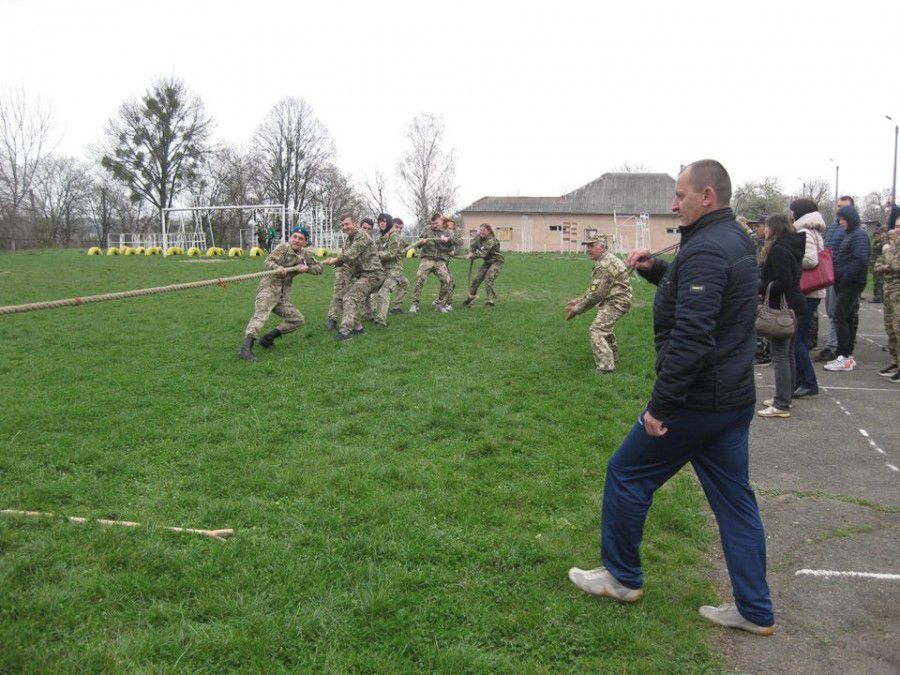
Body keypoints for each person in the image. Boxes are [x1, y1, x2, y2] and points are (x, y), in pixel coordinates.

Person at [568, 160, 774, 636]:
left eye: (680, 195)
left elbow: (694, 337)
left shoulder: (708, 248)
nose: (673, 203)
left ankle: (621, 576)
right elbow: (706, 301)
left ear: (708, 195)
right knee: (735, 502)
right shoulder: (734, 238)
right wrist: (658, 269)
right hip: (732, 399)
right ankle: (756, 609)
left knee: (626, 472)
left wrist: (661, 407)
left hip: (698, 402)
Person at [238, 227, 322, 361]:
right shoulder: (282, 248)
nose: (297, 240)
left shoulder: (305, 254)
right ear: (290, 237)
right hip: (268, 289)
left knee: (298, 319)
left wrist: (307, 269)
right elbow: (267, 262)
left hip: (282, 295)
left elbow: (319, 269)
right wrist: (277, 268)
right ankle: (246, 348)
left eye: (301, 239)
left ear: (305, 242)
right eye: (294, 237)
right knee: (260, 317)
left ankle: (267, 339)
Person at [756, 214, 806, 417]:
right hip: (795, 304)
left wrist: (762, 287)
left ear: (774, 228)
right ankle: (786, 395)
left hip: (782, 309)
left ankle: (781, 403)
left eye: (767, 226)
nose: (764, 230)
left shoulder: (778, 250)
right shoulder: (792, 246)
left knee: (780, 356)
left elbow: (783, 281)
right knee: (788, 353)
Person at [564, 233, 632, 373]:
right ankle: (613, 356)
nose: (588, 249)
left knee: (597, 330)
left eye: (591, 246)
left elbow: (596, 294)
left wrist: (577, 309)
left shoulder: (604, 265)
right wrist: (579, 300)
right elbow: (595, 288)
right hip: (615, 300)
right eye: (587, 246)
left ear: (602, 247)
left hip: (616, 302)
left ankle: (606, 367)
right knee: (605, 328)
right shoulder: (605, 261)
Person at [323, 215, 385, 341]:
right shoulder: (349, 239)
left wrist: (336, 259)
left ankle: (345, 333)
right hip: (363, 275)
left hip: (373, 275)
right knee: (342, 297)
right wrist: (334, 262)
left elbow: (349, 255)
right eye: (342, 225)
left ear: (355, 224)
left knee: (350, 298)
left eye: (347, 224)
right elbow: (344, 259)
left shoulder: (362, 236)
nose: (344, 227)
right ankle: (358, 328)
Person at [824, 204, 870, 372]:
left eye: (843, 219)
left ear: (850, 219)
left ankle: (842, 356)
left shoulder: (858, 236)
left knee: (840, 317)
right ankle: (847, 356)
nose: (841, 222)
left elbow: (860, 260)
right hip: (848, 282)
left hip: (851, 283)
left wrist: (844, 278)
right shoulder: (851, 235)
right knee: (846, 318)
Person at [789, 199, 827, 398]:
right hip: (813, 292)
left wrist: (791, 258)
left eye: (793, 211)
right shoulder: (813, 231)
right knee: (798, 337)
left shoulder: (804, 232)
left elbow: (811, 260)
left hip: (808, 292)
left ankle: (808, 382)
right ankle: (800, 380)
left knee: (796, 339)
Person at [816, 195, 854, 362]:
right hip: (829, 274)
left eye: (844, 206)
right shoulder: (832, 227)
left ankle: (834, 347)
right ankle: (833, 345)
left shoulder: (851, 230)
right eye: (838, 206)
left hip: (842, 276)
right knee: (831, 311)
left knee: (838, 313)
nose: (840, 209)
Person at [410, 213, 454, 313]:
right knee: (419, 278)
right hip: (427, 259)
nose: (434, 225)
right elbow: (418, 243)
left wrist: (449, 242)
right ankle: (415, 304)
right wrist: (421, 242)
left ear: (441, 221)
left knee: (447, 280)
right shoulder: (426, 229)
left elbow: (452, 245)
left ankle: (440, 305)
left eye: (436, 223)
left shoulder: (447, 232)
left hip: (440, 260)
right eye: (432, 223)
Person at [874, 223, 900, 382]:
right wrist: (888, 264)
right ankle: (895, 362)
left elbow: (895, 265)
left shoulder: (889, 248)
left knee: (899, 328)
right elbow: (877, 266)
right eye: (897, 226)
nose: (897, 230)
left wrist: (888, 264)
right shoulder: (891, 246)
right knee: (890, 327)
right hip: (889, 290)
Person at [373, 217, 409, 325]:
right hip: (383, 269)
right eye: (396, 227)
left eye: (400, 228)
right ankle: (371, 312)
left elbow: (392, 253)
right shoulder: (381, 237)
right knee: (375, 290)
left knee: (385, 291)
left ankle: (381, 319)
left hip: (394, 270)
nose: (398, 230)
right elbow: (377, 248)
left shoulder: (394, 236)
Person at [464, 224, 504, 307]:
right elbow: (473, 245)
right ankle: (471, 298)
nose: (481, 232)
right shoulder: (478, 237)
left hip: (497, 261)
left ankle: (490, 301)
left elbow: (483, 253)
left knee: (488, 279)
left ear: (488, 231)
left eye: (484, 230)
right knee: (476, 280)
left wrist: (471, 256)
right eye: (480, 230)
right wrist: (471, 252)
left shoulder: (491, 240)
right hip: (487, 262)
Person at [869, 228, 886, 303]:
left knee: (879, 281)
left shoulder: (883, 243)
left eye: (878, 234)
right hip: (875, 264)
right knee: (876, 281)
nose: (876, 236)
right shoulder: (877, 242)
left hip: (880, 264)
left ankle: (879, 297)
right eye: (875, 235)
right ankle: (878, 296)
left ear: (882, 234)